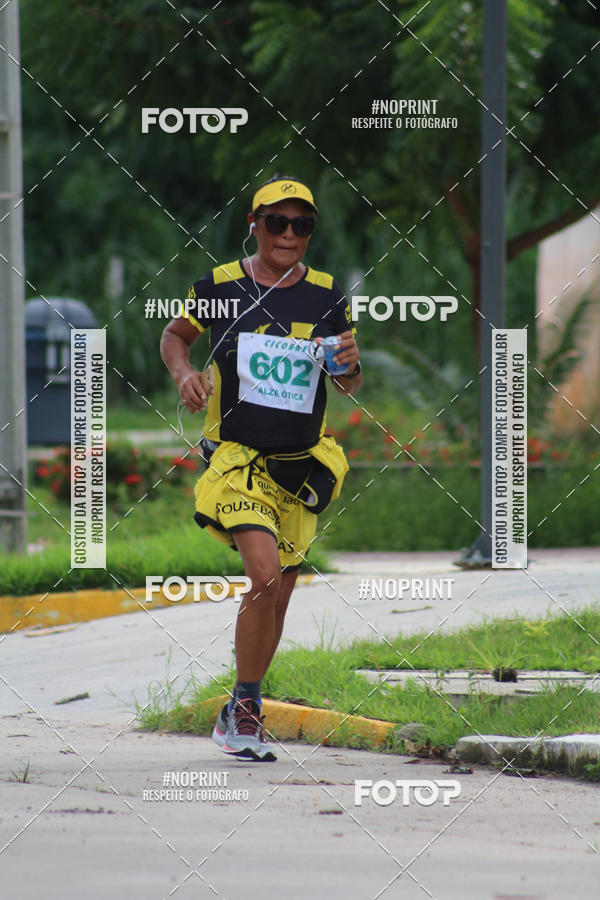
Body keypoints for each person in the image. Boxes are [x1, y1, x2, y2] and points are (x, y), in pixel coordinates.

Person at [160, 174, 362, 761]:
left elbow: (347, 380)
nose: (289, 234)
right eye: (278, 222)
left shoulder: (325, 295)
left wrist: (349, 365)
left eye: (302, 225)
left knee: (279, 594)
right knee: (266, 576)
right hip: (237, 460)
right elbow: (175, 335)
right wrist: (184, 374)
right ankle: (247, 711)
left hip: (299, 467)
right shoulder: (220, 285)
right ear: (255, 225)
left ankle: (239, 707)